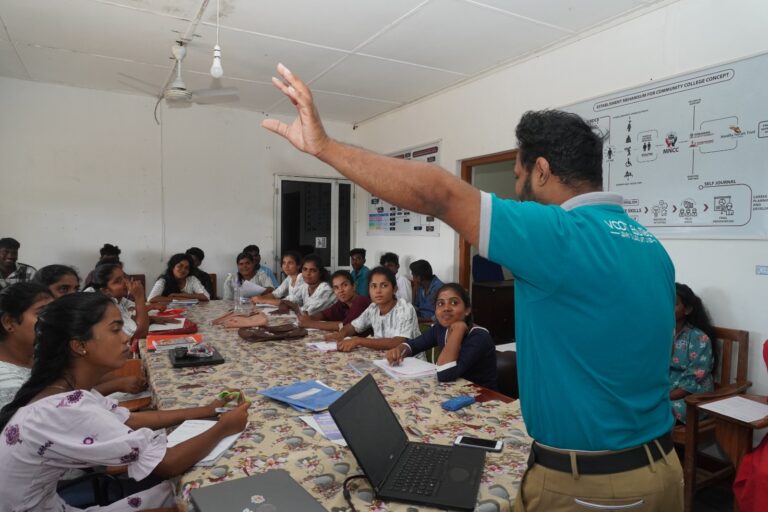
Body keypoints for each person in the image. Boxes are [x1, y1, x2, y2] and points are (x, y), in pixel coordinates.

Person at [263, 63, 682, 510]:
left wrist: (324, 147)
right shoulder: (650, 246)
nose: (517, 188)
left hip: (595, 486)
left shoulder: (561, 233)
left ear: (541, 170)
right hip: (656, 466)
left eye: (519, 176)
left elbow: (440, 195)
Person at [0, 292, 249, 512]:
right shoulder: (65, 408)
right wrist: (223, 427)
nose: (126, 336)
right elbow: (167, 464)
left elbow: (131, 419)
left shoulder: (67, 391)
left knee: (182, 492)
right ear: (79, 345)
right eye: (115, 329)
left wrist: (207, 410)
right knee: (203, 496)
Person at [386, 283, 497, 389]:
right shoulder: (441, 329)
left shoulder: (479, 336)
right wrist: (400, 349)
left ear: (467, 310)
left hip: (483, 398)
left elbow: (445, 374)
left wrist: (458, 329)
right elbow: (413, 345)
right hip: (454, 392)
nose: (446, 308)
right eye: (440, 304)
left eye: (454, 303)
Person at [326, 267, 420, 353]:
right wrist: (341, 334)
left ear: (394, 289)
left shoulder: (405, 308)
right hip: (384, 359)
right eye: (373, 286)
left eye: (384, 286)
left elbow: (397, 342)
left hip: (409, 362)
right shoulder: (373, 308)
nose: (378, 291)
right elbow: (353, 326)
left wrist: (358, 340)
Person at [0, 283, 53, 408]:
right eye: (43, 313)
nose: (55, 320)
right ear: (9, 322)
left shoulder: (42, 356)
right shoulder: (5, 379)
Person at [670, 283, 716, 424]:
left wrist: (662, 397)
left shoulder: (699, 338)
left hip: (692, 395)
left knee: (659, 410)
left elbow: (693, 379)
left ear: (688, 309)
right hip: (667, 388)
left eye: (674, 304)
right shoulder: (660, 333)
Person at [297, 270, 370, 332]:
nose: (341, 290)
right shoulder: (342, 303)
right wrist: (310, 318)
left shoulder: (361, 301)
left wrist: (310, 324)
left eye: (345, 285)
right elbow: (324, 314)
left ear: (354, 286)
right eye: (336, 287)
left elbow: (345, 325)